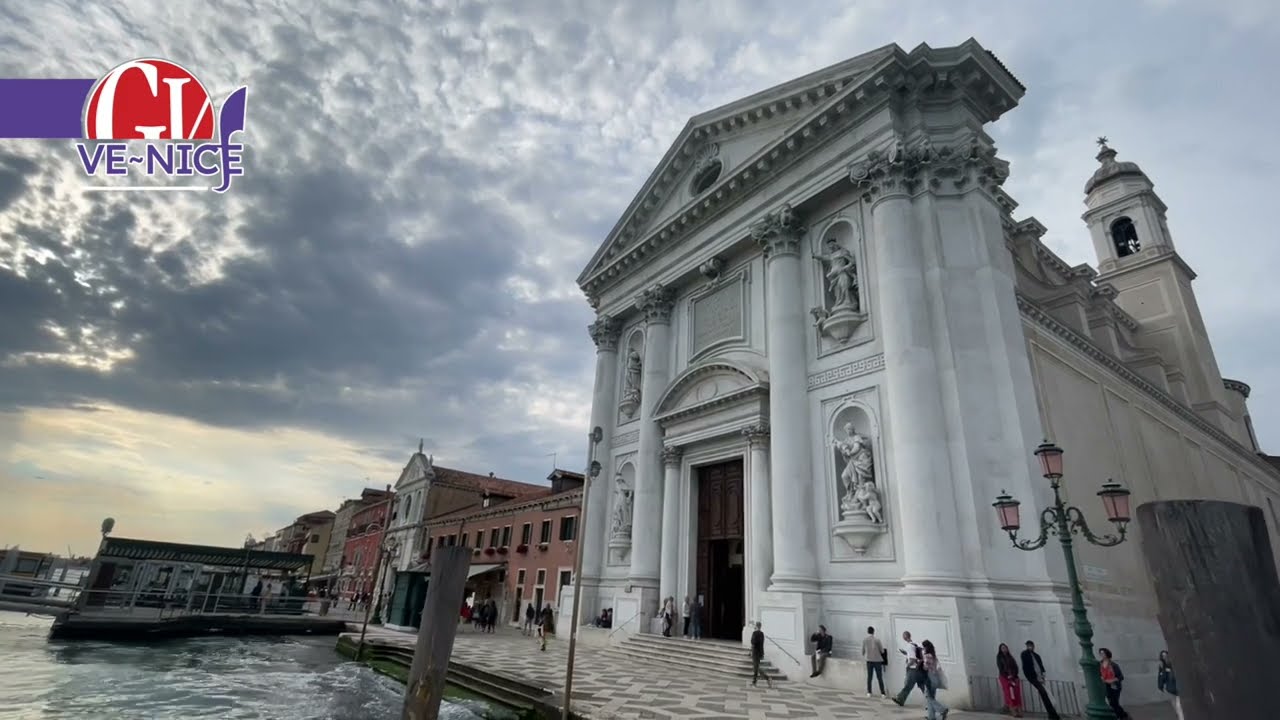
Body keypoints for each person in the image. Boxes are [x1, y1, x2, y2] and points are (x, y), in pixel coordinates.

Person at [1021, 641, 1060, 720]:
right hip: (1033, 677)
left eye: (1031, 645)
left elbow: (1041, 666)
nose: (1030, 647)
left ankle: (1052, 715)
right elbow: (1025, 666)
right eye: (1028, 645)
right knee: (1043, 693)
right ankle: (1053, 715)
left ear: (1033, 646)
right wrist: (1030, 676)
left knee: (1046, 695)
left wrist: (1043, 675)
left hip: (1040, 677)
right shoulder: (1025, 654)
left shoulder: (1037, 656)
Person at [893, 631, 930, 707]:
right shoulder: (916, 644)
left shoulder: (909, 646)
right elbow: (916, 656)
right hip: (920, 670)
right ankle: (932, 703)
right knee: (923, 688)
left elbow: (912, 660)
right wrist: (906, 653)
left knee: (908, 686)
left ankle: (900, 699)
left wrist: (907, 666)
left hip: (913, 670)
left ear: (904, 637)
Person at [922, 639, 949, 720]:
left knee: (928, 697)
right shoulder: (934, 656)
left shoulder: (927, 656)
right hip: (935, 678)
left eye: (923, 647)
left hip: (930, 678)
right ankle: (931, 717)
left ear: (926, 647)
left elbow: (926, 667)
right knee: (931, 697)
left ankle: (942, 709)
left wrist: (921, 664)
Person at [1099, 647, 1129, 719]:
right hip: (1106, 686)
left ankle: (1121, 716)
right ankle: (1123, 715)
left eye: (1103, 653)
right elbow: (1099, 674)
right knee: (1112, 703)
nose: (1101, 654)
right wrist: (1101, 677)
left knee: (1114, 703)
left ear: (1107, 654)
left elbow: (1121, 677)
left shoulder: (1113, 665)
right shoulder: (1100, 665)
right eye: (1100, 653)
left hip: (1114, 686)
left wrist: (1113, 680)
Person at [997, 643, 1023, 718]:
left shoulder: (1010, 657)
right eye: (1002, 648)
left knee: (1017, 694)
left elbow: (1015, 667)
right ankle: (1013, 711)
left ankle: (1019, 710)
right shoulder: (999, 657)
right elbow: (1001, 668)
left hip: (1014, 677)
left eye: (1005, 648)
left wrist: (1014, 675)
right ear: (1000, 650)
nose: (1004, 649)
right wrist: (1007, 676)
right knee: (1009, 694)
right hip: (1005, 677)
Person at [861, 625, 887, 697]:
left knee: (869, 677)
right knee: (879, 677)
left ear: (867, 631)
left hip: (869, 660)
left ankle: (869, 692)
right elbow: (882, 651)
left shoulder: (865, 640)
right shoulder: (877, 640)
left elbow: (863, 651)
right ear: (873, 632)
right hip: (877, 660)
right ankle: (883, 693)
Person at [1157, 650, 1183, 720]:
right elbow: (1161, 677)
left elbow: (1173, 676)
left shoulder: (1171, 664)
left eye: (1166, 656)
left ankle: (1181, 717)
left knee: (1178, 705)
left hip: (1175, 687)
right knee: (1174, 705)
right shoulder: (1162, 666)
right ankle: (1179, 716)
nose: (1165, 657)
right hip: (1169, 688)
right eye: (1163, 656)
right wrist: (1160, 686)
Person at [750, 622, 772, 688]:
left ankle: (766, 679)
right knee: (757, 668)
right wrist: (762, 653)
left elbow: (752, 642)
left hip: (755, 653)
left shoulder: (755, 633)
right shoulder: (762, 634)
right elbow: (761, 645)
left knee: (756, 668)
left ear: (756, 626)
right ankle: (767, 679)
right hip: (759, 653)